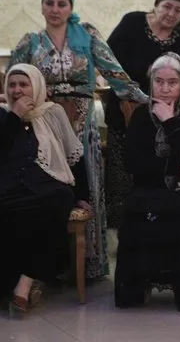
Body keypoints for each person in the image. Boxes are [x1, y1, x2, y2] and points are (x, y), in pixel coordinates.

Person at [10, 0, 148, 280]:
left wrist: (146, 100)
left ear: (71, 7)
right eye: (50, 3)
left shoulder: (87, 35)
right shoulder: (30, 42)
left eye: (62, 4)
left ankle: (88, 266)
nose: (56, 9)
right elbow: (14, 81)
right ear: (42, 7)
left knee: (87, 188)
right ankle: (49, 267)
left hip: (82, 124)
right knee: (48, 187)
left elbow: (114, 72)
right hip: (43, 124)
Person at [114, 53, 180, 314]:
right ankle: (137, 285)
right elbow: (132, 163)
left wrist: (170, 122)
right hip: (152, 183)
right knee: (135, 210)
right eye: (159, 82)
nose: (164, 88)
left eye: (171, 82)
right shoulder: (141, 115)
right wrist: (176, 168)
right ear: (151, 83)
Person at [105, 0, 180, 228]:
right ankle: (123, 226)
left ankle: (160, 221)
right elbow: (108, 60)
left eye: (178, 10)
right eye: (167, 6)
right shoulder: (133, 23)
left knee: (160, 159)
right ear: (155, 5)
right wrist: (134, 95)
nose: (171, 14)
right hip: (128, 108)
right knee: (125, 167)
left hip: (169, 111)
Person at [0, 64, 88, 317]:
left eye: (23, 84)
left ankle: (24, 285)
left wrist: (83, 195)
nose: (17, 90)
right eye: (12, 84)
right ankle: (15, 283)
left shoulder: (52, 113)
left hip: (46, 185)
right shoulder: (3, 115)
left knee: (58, 199)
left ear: (37, 87)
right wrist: (14, 116)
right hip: (8, 186)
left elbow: (74, 156)